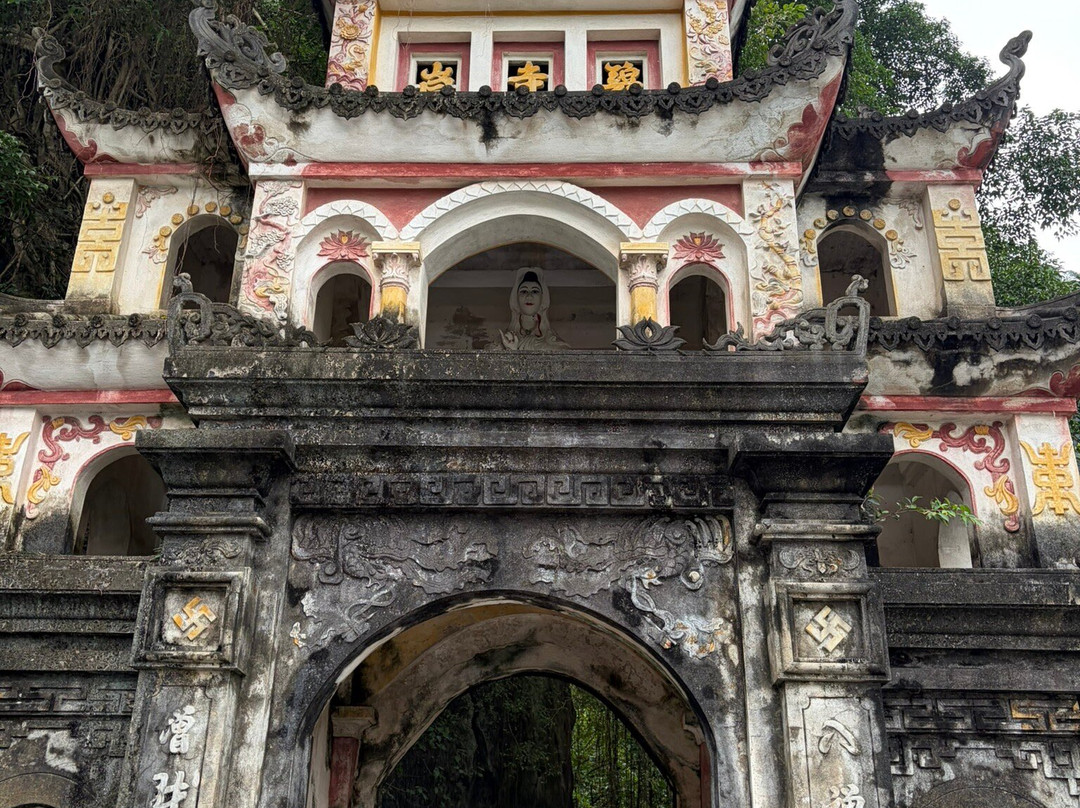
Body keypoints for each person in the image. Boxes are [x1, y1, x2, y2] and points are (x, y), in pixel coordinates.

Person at [500, 266, 569, 351]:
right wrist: (511, 350)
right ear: (516, 298)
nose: (529, 296)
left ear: (542, 298)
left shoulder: (554, 344)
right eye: (524, 291)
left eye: (535, 291)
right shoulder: (504, 341)